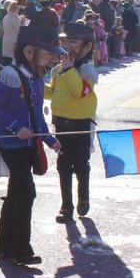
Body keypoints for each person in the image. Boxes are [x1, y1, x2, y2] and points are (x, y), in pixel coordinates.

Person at [0, 26, 63, 266]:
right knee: (26, 192)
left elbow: (37, 116)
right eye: (49, 55)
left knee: (15, 194)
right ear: (29, 52)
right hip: (10, 145)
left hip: (27, 145)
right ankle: (21, 249)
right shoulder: (10, 74)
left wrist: (51, 140)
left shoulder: (37, 79)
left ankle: (3, 246)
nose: (54, 60)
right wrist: (16, 126)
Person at [47, 22, 97, 223]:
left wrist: (68, 70)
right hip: (61, 124)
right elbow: (54, 92)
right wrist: (31, 88)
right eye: (64, 41)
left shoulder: (88, 72)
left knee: (81, 164)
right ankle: (65, 206)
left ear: (87, 47)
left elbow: (78, 92)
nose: (67, 46)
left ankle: (83, 198)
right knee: (63, 164)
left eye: (73, 42)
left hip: (81, 124)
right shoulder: (57, 70)